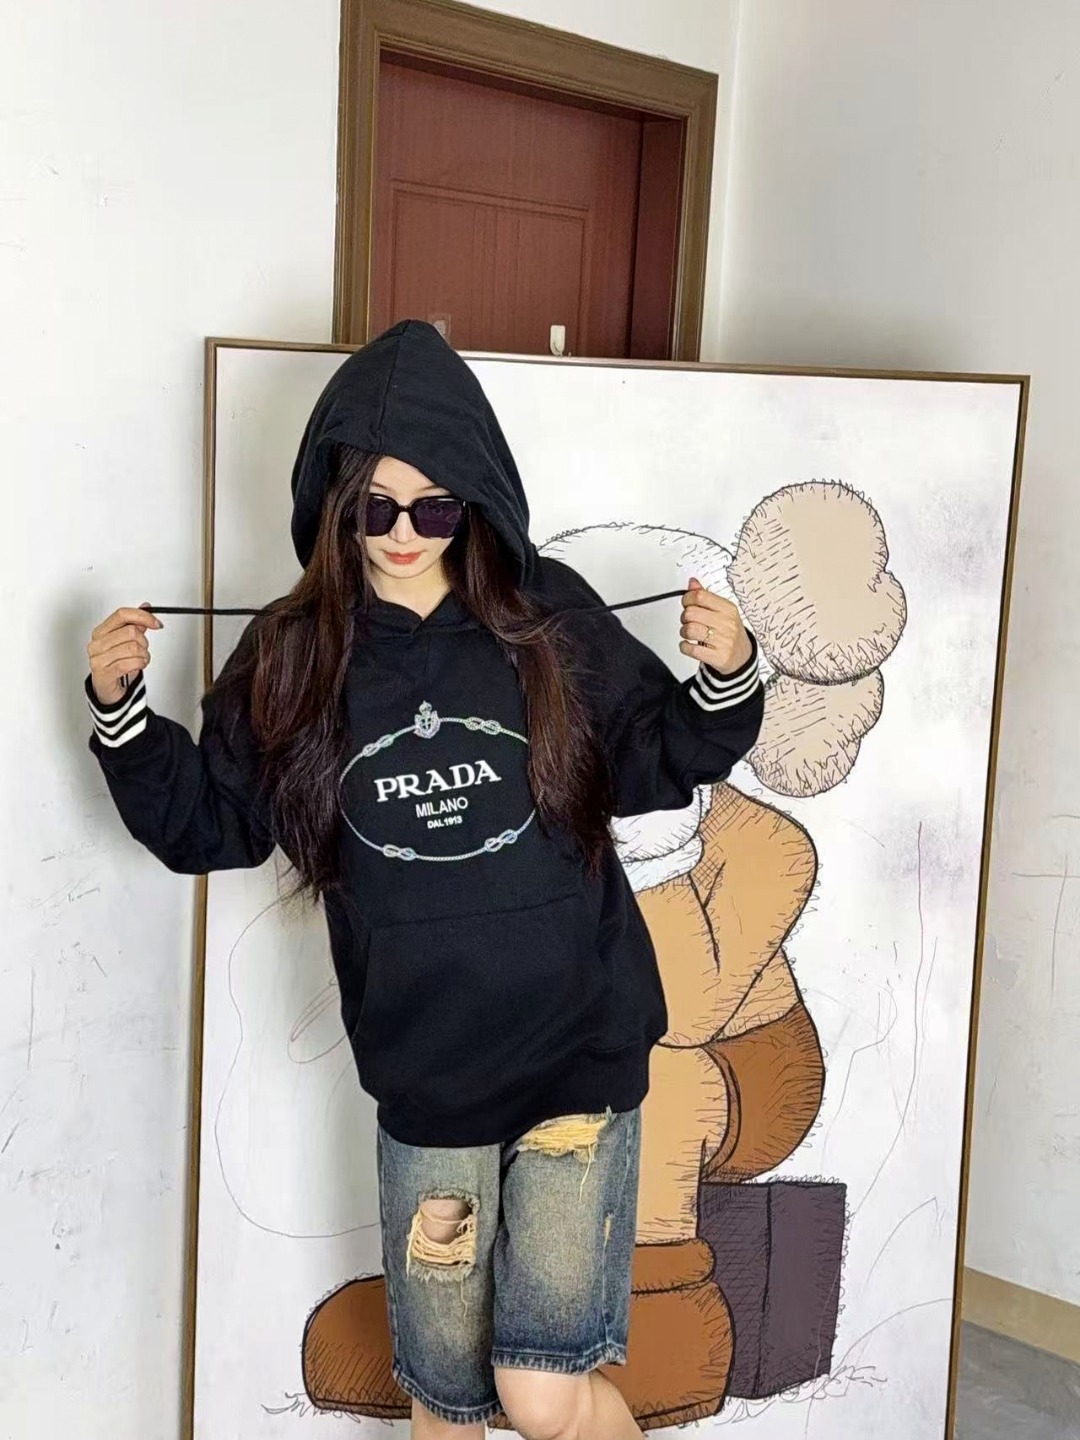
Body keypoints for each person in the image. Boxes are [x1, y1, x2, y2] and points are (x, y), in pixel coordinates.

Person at [83, 320, 764, 1440]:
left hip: (576, 1061)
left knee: (540, 1395)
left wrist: (726, 676)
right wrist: (125, 719)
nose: (404, 534)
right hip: (428, 1074)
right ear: (336, 505)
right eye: (375, 508)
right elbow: (216, 824)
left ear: (475, 502)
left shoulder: (546, 620)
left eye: (435, 508)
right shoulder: (293, 653)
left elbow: (651, 760)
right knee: (445, 1406)